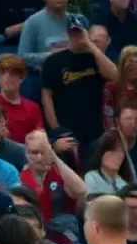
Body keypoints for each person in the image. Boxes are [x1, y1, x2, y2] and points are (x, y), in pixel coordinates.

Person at [41, 15, 117, 155]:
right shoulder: (53, 61)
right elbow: (47, 97)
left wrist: (91, 46)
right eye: (73, 33)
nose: (77, 36)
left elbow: (114, 76)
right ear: (68, 34)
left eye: (80, 32)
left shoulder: (95, 58)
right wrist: (56, 129)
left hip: (95, 128)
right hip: (67, 129)